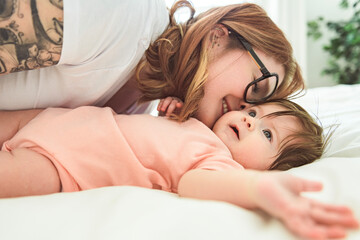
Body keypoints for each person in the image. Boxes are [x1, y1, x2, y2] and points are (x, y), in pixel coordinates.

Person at [0, 99, 358, 239]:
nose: (249, 121)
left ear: (270, 170)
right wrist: (170, 107)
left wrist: (255, 189)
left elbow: (193, 184)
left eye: (266, 133)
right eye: (253, 112)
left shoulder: (219, 163)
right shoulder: (200, 125)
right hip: (56, 118)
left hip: (61, 163)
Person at [0, 0, 304, 128]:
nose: (246, 109)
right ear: (218, 36)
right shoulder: (120, 17)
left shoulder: (137, 108)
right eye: (259, 85)